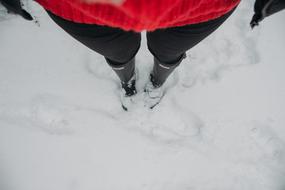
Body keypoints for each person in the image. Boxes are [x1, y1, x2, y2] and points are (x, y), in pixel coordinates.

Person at [1, 0, 285, 110]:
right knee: (117, 51)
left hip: (199, 7)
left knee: (170, 49)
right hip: (80, 9)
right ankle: (128, 79)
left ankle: (158, 80)